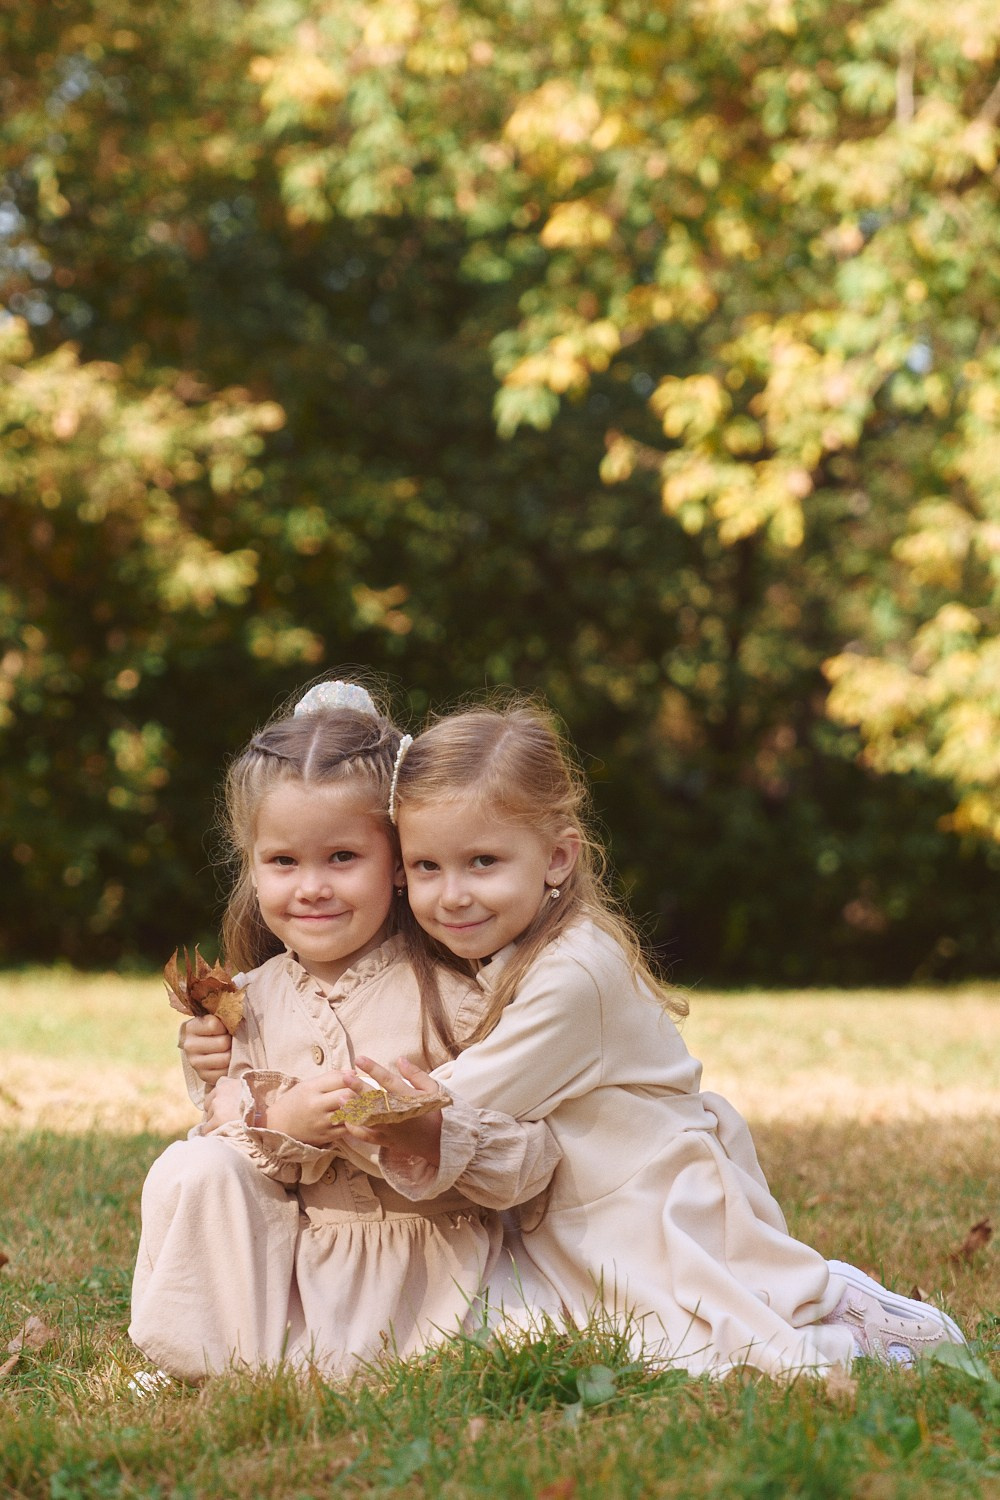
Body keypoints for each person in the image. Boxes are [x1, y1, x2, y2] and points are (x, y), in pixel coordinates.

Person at [346, 697, 968, 1378]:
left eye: (483, 862)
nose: (452, 894)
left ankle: (854, 1319)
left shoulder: (576, 974)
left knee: (708, 1357)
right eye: (426, 867)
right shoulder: (503, 950)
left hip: (650, 1205)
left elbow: (457, 1102)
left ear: (557, 858)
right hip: (580, 1205)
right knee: (601, 1341)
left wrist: (326, 1111)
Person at [129, 681, 558, 1384]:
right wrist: (274, 1115)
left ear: (397, 863)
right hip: (299, 1270)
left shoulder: (453, 999)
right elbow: (225, 1146)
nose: (311, 887)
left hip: (429, 1274)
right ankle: (213, 1358)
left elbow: (533, 1162)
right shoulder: (247, 1003)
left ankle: (364, 1352)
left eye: (341, 858)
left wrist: (431, 1136)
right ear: (252, 865)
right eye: (284, 861)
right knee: (192, 1165)